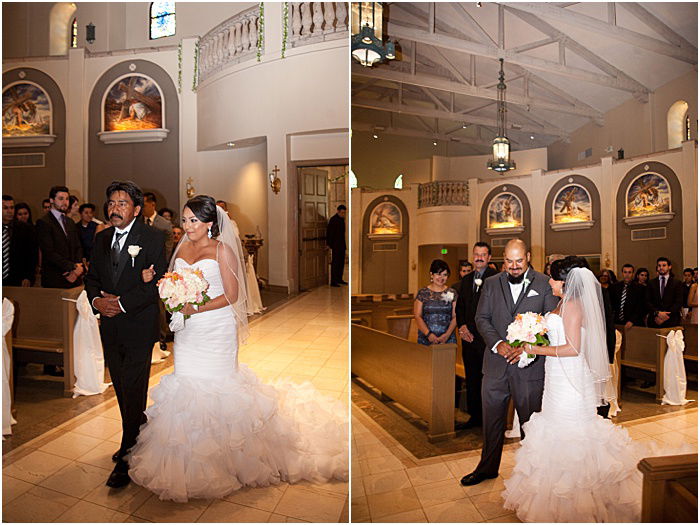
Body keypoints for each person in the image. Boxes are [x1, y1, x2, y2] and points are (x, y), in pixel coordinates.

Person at [126, 195, 347, 502]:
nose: (187, 227)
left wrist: (193, 307)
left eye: (194, 221)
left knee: (219, 389)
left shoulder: (222, 250)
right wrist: (164, 286)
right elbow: (173, 280)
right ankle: (189, 457)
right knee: (188, 386)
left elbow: (232, 295)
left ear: (209, 223)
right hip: (188, 333)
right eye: (185, 220)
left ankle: (225, 461)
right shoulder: (181, 247)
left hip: (215, 329)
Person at [502, 256, 684, 522]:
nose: (549, 281)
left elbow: (573, 348)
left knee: (572, 433)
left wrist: (533, 348)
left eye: (552, 277)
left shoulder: (574, 306)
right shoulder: (562, 303)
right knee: (556, 428)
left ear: (563, 281)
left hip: (570, 380)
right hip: (556, 378)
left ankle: (578, 500)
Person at [84, 181, 167, 488]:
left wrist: (119, 303)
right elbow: (92, 278)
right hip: (110, 325)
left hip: (138, 324)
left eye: (122, 203)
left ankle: (128, 450)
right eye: (111, 203)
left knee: (133, 385)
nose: (114, 208)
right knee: (120, 384)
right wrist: (97, 302)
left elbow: (155, 282)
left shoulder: (153, 237)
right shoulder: (102, 237)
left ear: (135, 209)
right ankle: (137, 431)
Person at [460, 239, 558, 487]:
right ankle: (487, 468)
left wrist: (527, 346)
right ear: (502, 259)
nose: (514, 267)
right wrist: (497, 344)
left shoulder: (543, 283)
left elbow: (549, 321)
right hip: (495, 364)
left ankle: (532, 473)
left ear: (528, 257)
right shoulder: (492, 283)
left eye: (519, 261)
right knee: (491, 421)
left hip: (530, 367)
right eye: (509, 261)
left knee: (530, 424)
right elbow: (481, 318)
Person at [455, 242, 498, 428]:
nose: (479, 257)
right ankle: (474, 417)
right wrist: (462, 327)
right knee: (472, 378)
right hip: (468, 339)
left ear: (489, 258)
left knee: (488, 380)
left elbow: (498, 309)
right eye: (476, 254)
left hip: (487, 339)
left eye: (483, 254)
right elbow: (461, 307)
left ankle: (489, 419)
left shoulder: (497, 278)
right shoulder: (466, 280)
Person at [35, 186, 84, 288]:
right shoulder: (44, 222)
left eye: (67, 199)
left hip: (74, 276)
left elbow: (77, 246)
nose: (65, 202)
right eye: (61, 199)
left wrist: (77, 267)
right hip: (55, 276)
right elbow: (49, 252)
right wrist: (72, 267)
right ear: (52, 200)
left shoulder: (69, 221)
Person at [414, 259, 458, 346]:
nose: (441, 278)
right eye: (438, 274)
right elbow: (417, 316)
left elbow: (455, 316)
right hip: (426, 338)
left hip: (447, 339)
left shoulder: (452, 293)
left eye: (444, 275)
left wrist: (447, 335)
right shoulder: (423, 293)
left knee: (446, 360)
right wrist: (428, 334)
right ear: (431, 274)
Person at [2, 195, 38, 286]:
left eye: (12, 207)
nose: (10, 211)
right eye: (5, 208)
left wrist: (28, 276)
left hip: (18, 279)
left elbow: (32, 255)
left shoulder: (25, 229)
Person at [646, 257, 684, 328]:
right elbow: (647, 301)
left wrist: (665, 316)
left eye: (664, 265)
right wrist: (657, 313)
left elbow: (678, 302)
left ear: (669, 267)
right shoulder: (651, 283)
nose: (661, 268)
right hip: (654, 319)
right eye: (659, 265)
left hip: (671, 320)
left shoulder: (677, 283)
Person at [610, 263, 645, 328]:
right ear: (622, 273)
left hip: (633, 323)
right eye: (625, 272)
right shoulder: (615, 287)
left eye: (629, 272)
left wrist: (632, 320)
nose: (627, 275)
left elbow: (641, 307)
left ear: (633, 274)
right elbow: (612, 304)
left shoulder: (640, 288)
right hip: (617, 322)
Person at [142, 192, 173, 260]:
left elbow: (168, 248)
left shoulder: (165, 224)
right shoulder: (138, 222)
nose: (141, 208)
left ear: (153, 205)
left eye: (144, 205)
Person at [326, 204, 347, 287]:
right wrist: (329, 244)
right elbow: (330, 233)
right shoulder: (333, 220)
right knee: (335, 263)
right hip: (335, 245)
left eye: (344, 213)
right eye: (342, 213)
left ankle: (339, 279)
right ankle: (333, 281)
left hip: (341, 244)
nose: (343, 214)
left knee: (341, 263)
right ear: (338, 211)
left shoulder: (342, 220)